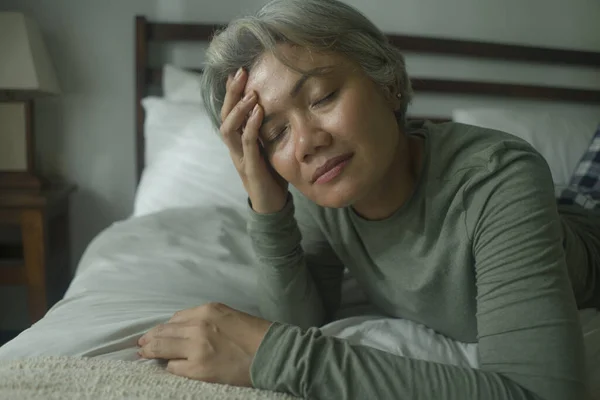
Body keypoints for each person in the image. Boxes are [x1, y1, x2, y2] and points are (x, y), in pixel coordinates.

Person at [137, 0, 598, 398]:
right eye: (275, 133)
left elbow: (543, 393)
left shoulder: (495, 179)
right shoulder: (327, 192)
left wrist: (274, 355)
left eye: (322, 97)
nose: (305, 143)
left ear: (388, 81)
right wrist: (267, 204)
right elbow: (304, 317)